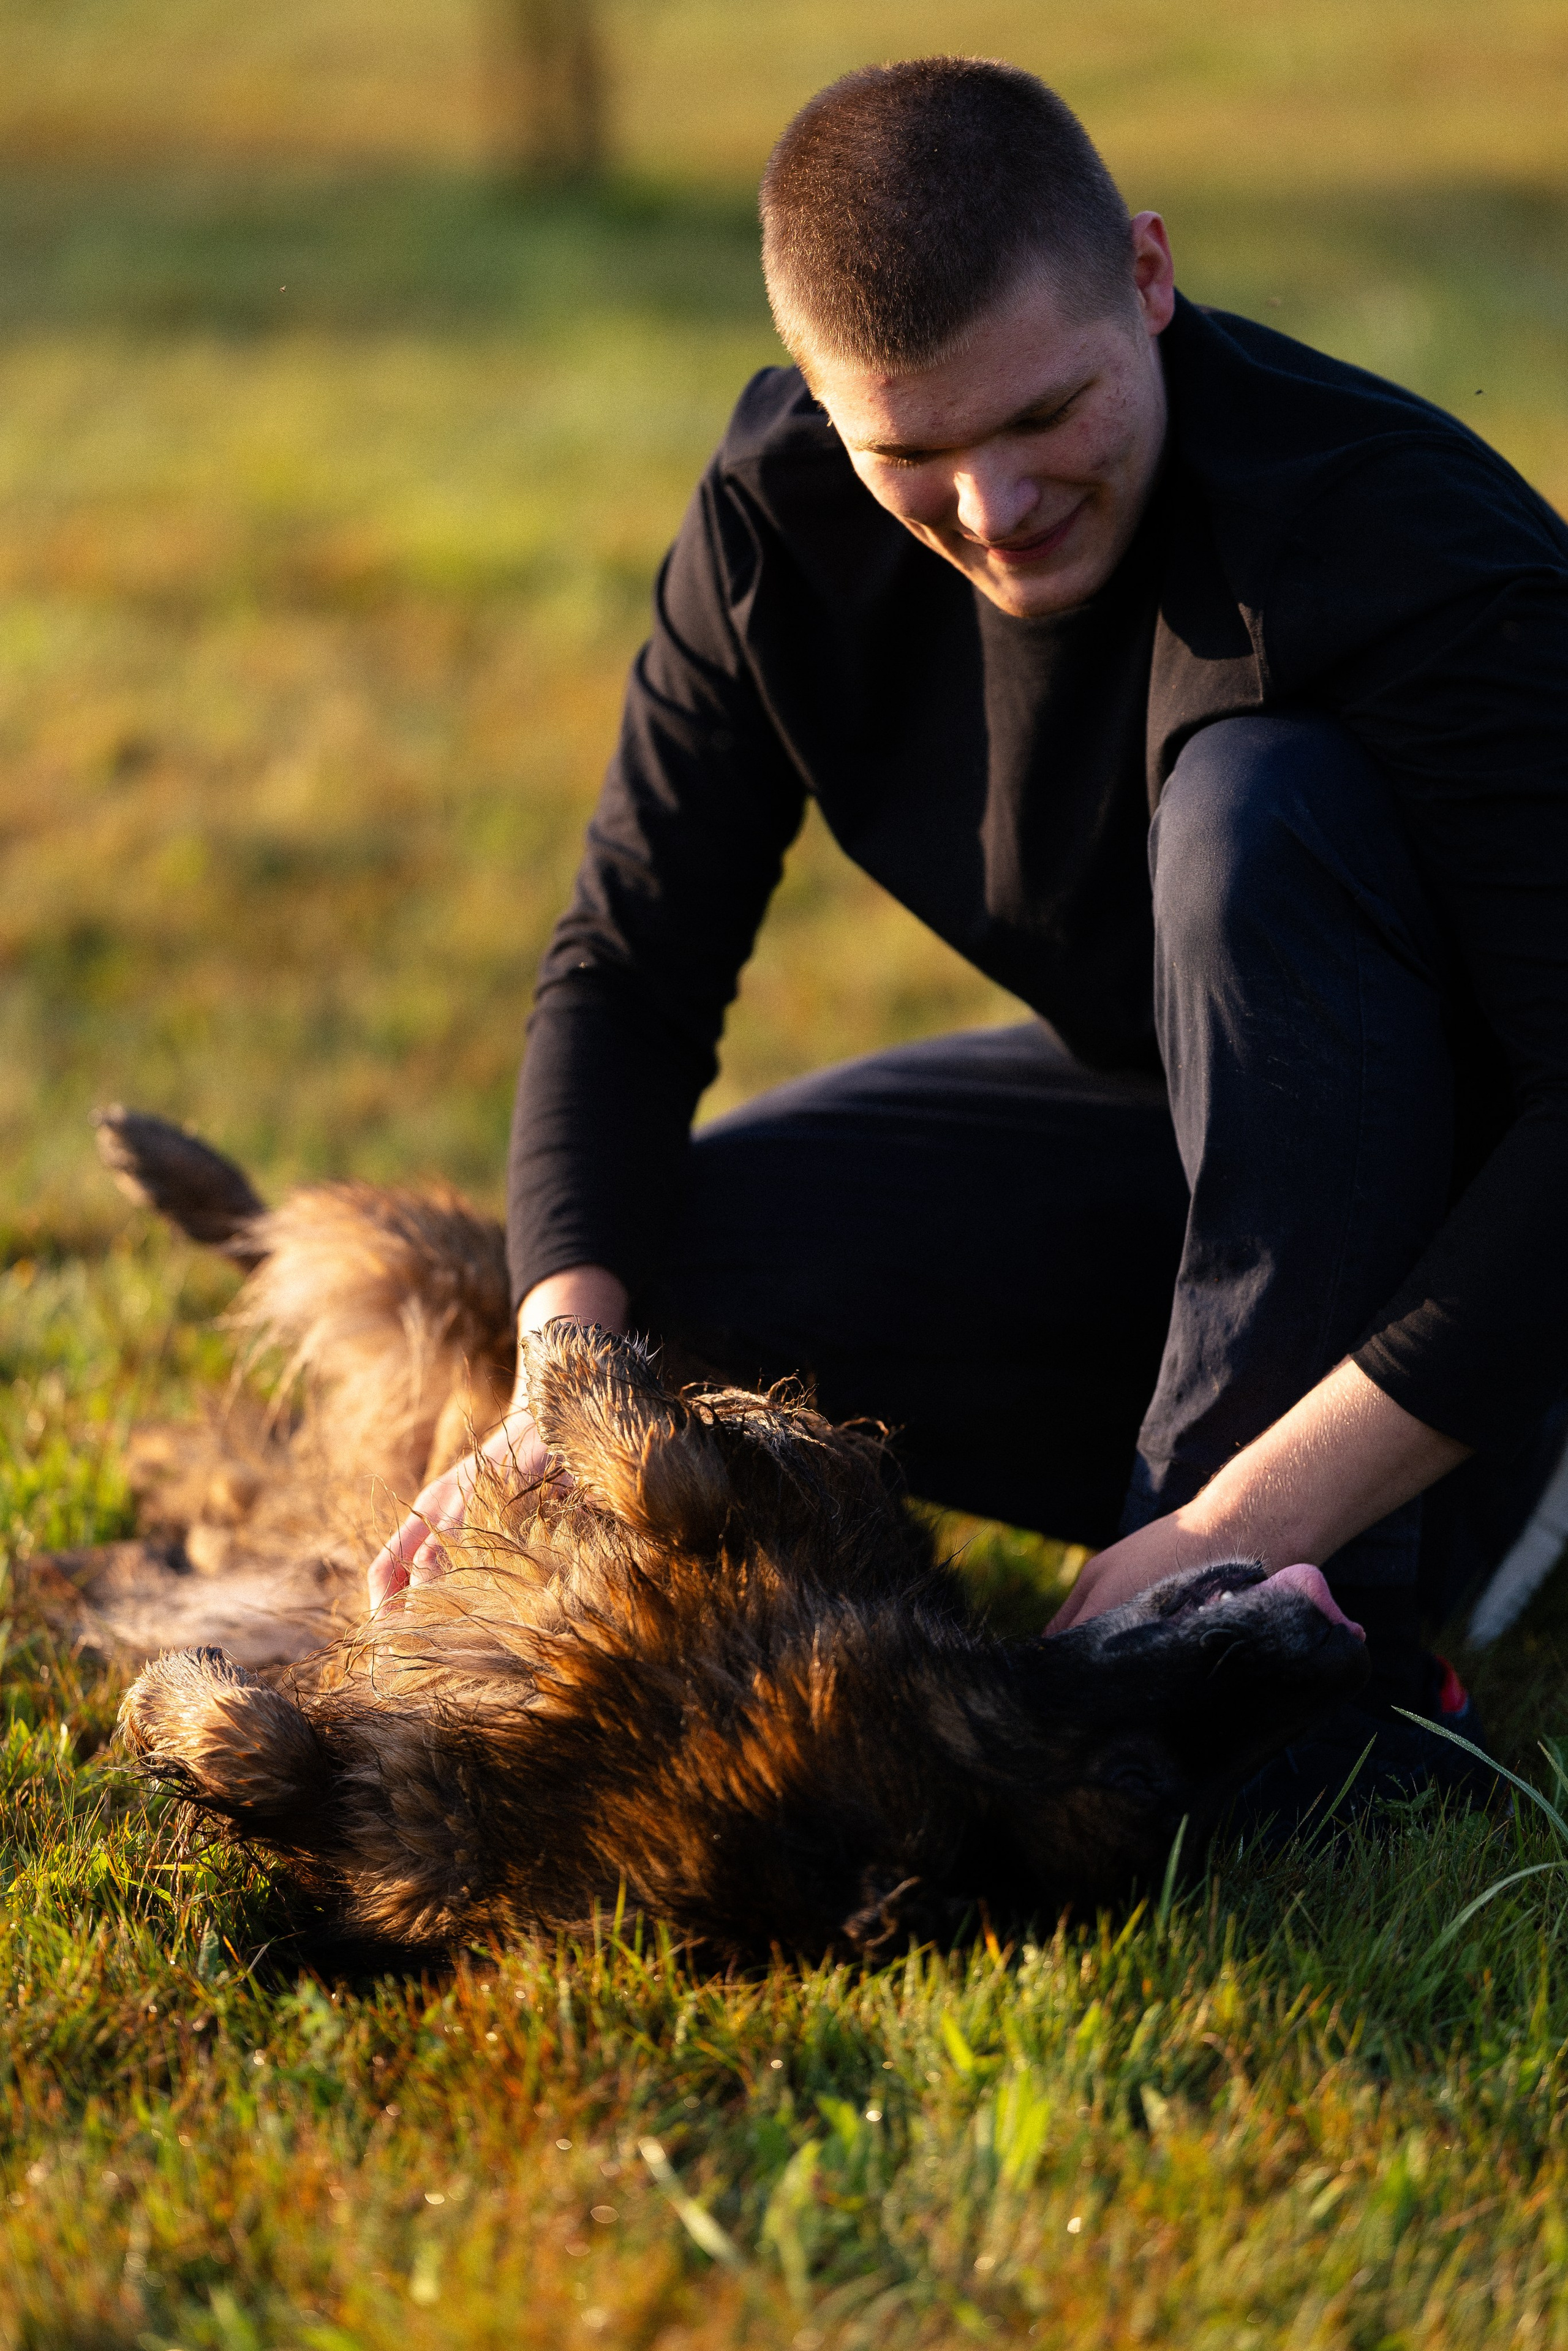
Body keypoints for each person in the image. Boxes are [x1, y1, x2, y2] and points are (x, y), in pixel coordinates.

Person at [369, 57, 1568, 1730]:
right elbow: (628, 975)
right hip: (1188, 1124)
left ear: (1148, 278)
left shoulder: (1407, 547)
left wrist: (1230, 1523)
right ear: (820, 398)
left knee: (1255, 804)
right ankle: (1229, 1505)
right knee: (662, 1295)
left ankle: (1346, 1585)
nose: (994, 512)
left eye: (1041, 415)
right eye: (914, 450)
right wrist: (564, 1382)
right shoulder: (776, 531)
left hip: (1488, 1240)